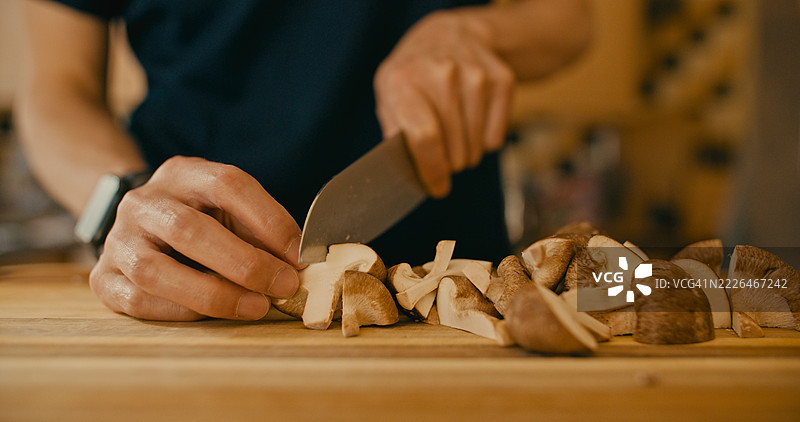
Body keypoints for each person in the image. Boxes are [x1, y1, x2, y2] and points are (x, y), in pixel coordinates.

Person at [16, 0, 591, 321]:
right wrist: (125, 198)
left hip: (457, 294)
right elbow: (56, 90)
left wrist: (475, 32)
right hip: (195, 289)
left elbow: (567, 20)